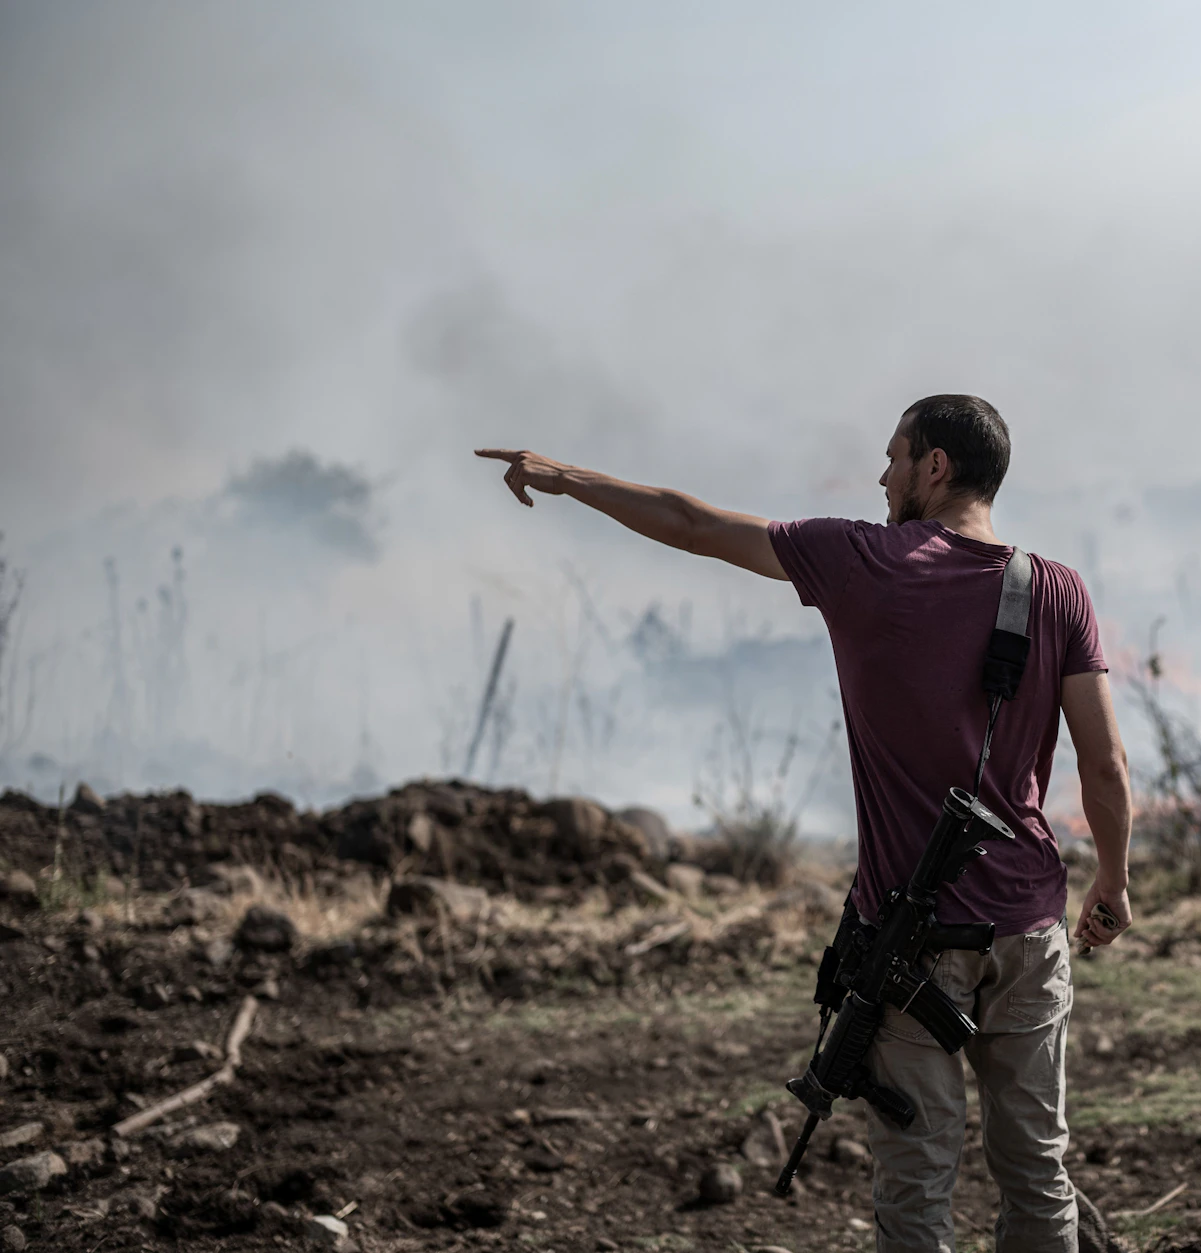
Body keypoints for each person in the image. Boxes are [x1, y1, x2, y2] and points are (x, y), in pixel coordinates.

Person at [476, 393, 1132, 1253]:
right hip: (1030, 930)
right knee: (1038, 1173)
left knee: (915, 1182)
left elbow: (692, 524)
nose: (882, 474)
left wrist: (570, 477)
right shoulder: (1058, 590)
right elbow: (1105, 761)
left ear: (934, 466)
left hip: (914, 941)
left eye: (894, 456)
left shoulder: (861, 559)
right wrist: (1113, 879)